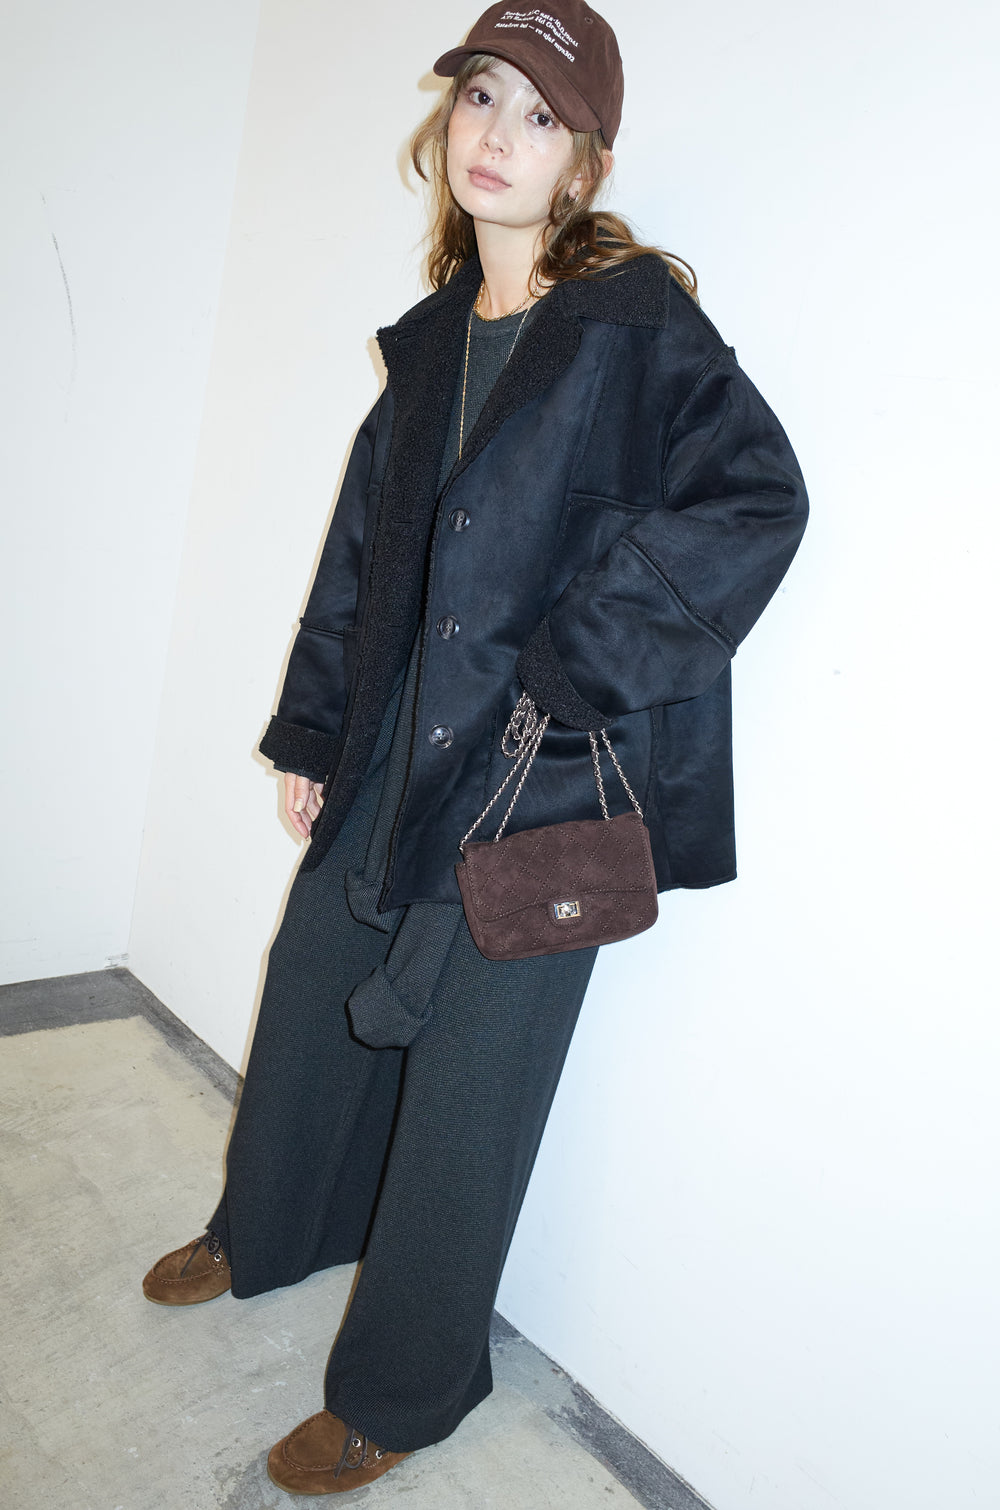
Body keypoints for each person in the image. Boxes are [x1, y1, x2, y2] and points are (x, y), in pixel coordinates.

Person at [142, 0, 809, 1495]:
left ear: (586, 161)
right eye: (481, 97)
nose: (496, 134)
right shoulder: (439, 338)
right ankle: (274, 1227)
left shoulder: (636, 327)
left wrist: (584, 664)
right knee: (313, 988)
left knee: (470, 1086)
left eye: (539, 115)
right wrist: (318, 727)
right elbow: (360, 555)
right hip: (400, 745)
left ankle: (406, 1384)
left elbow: (760, 499)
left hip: (543, 773)